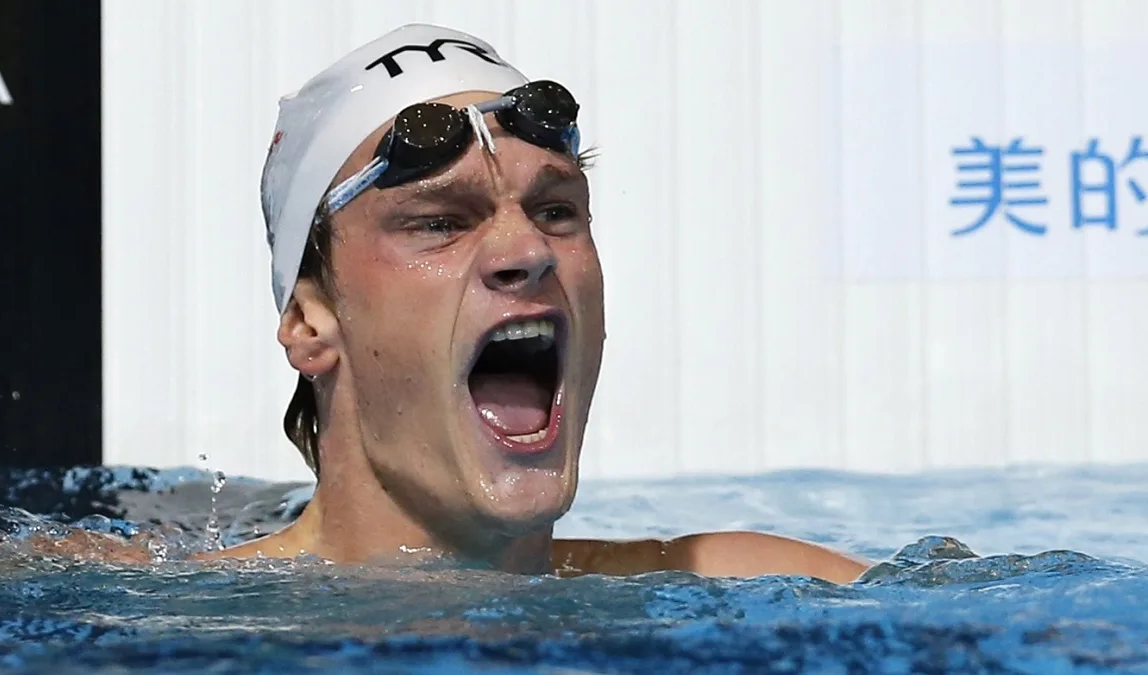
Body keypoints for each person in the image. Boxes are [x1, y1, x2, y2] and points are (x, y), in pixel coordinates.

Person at [203, 23, 869, 584]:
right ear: (310, 321)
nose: (528, 249)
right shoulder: (195, 619)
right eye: (440, 222)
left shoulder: (763, 584)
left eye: (555, 211)